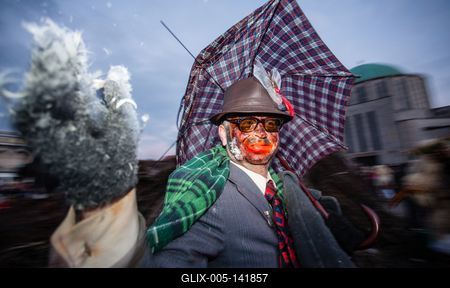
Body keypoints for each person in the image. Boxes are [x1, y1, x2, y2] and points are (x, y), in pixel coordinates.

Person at [49, 76, 364, 268]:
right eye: (245, 124)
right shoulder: (211, 200)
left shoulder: (288, 188)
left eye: (270, 124)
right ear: (225, 135)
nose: (261, 133)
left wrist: (328, 222)